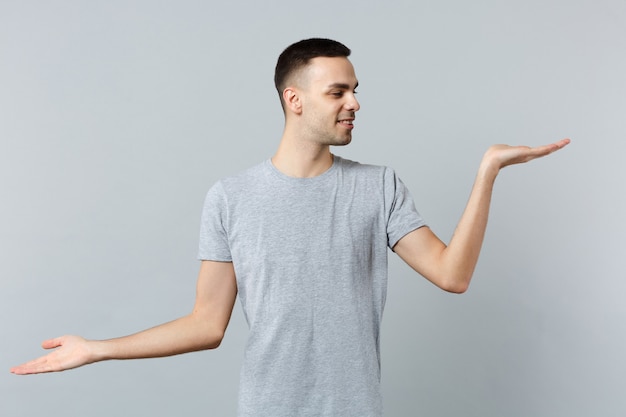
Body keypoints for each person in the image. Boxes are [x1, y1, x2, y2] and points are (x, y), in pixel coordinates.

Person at [11, 38, 569, 416]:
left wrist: (487, 171)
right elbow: (207, 325)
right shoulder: (230, 198)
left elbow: (453, 275)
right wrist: (99, 349)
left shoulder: (378, 187)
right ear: (294, 99)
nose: (355, 102)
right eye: (339, 92)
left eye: (355, 89)